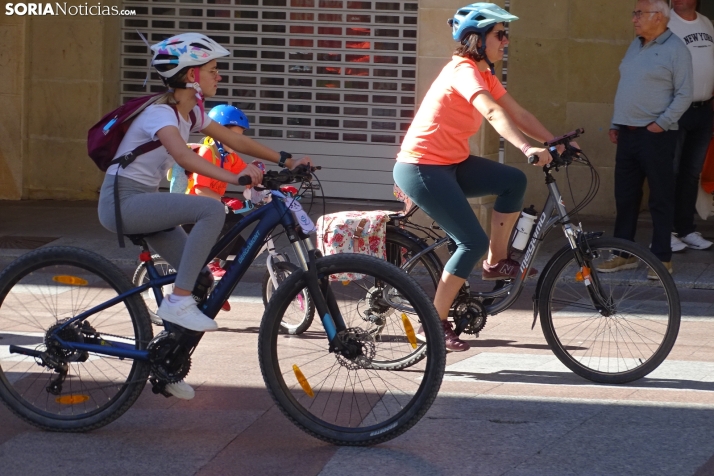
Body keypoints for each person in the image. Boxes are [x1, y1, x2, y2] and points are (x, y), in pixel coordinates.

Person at [97, 33, 311, 399]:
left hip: (144, 200)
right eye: (213, 69)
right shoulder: (160, 113)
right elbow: (184, 157)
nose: (219, 76)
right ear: (191, 76)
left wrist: (286, 160)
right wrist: (234, 177)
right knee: (210, 208)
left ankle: (167, 361)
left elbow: (237, 142)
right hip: (123, 202)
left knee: (199, 279)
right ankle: (177, 302)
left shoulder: (191, 112)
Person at [393, 3, 563, 352]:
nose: (507, 41)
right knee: (469, 239)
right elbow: (491, 112)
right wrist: (526, 148)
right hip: (421, 168)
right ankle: (433, 324)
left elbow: (518, 112)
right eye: (500, 34)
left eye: (506, 34)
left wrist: (556, 141)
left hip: (451, 164)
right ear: (477, 40)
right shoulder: (463, 71)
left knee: (512, 181)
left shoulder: (484, 73)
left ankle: (494, 262)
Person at [601, 0, 693, 279]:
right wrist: (616, 121)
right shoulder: (635, 45)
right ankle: (623, 253)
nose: (634, 19)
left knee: (661, 198)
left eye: (639, 14)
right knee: (625, 197)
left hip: (657, 135)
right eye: (635, 13)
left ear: (659, 17)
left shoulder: (676, 49)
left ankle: (662, 259)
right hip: (628, 134)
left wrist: (660, 124)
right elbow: (626, 85)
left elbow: (684, 94)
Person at [185, 104, 252, 279]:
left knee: (242, 252)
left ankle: (219, 291)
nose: (238, 142)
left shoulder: (229, 156)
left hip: (211, 209)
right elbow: (200, 189)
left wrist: (268, 181)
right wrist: (224, 203)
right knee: (234, 219)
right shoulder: (207, 152)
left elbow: (246, 172)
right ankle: (210, 261)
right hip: (192, 213)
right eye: (234, 136)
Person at [668, 0, 714, 251]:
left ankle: (685, 229)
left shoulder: (706, 23)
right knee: (669, 172)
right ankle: (665, 232)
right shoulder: (664, 22)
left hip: (702, 110)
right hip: (675, 108)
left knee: (690, 174)